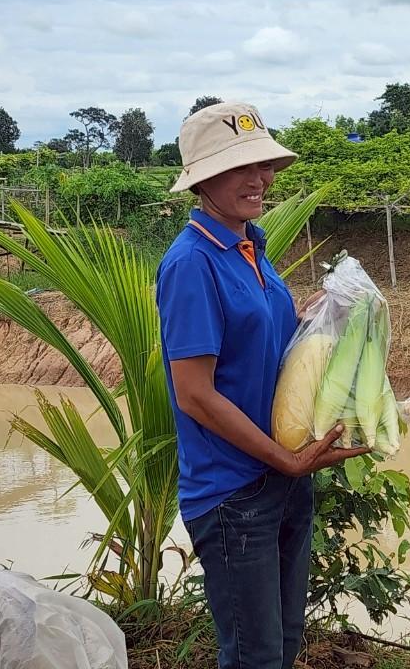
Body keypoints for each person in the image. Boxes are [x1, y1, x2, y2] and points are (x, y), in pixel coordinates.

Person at [155, 101, 367, 669]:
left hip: (283, 477)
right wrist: (286, 460)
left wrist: (316, 317)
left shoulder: (253, 244)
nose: (259, 179)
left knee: (286, 641)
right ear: (201, 180)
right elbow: (194, 393)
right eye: (238, 167)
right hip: (234, 492)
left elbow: (262, 344)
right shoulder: (192, 263)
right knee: (256, 656)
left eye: (264, 164)